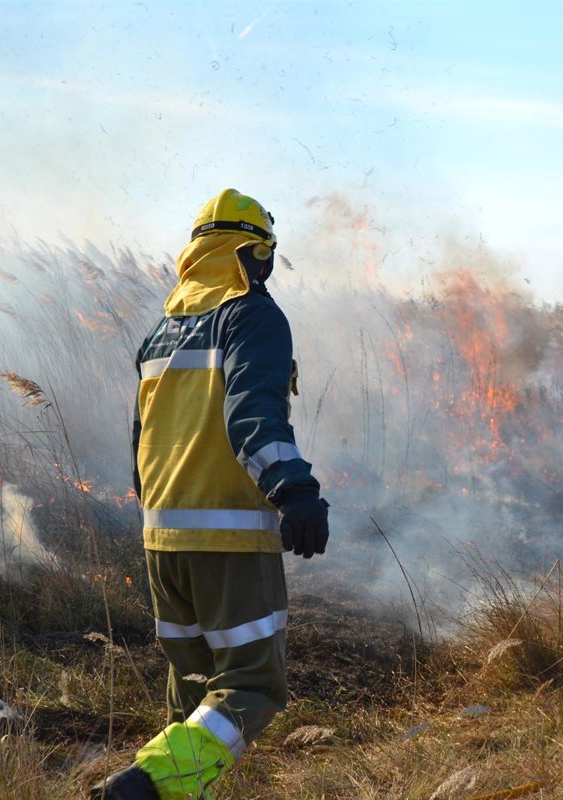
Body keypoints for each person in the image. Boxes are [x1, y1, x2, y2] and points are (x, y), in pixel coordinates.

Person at [91, 189, 330, 800]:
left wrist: (156, 512)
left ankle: (163, 788)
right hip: (228, 541)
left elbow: (141, 439)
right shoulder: (251, 317)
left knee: (195, 692)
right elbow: (253, 415)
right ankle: (143, 787)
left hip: (162, 541)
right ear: (255, 254)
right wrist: (294, 489)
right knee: (252, 685)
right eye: (264, 256)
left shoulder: (162, 333)